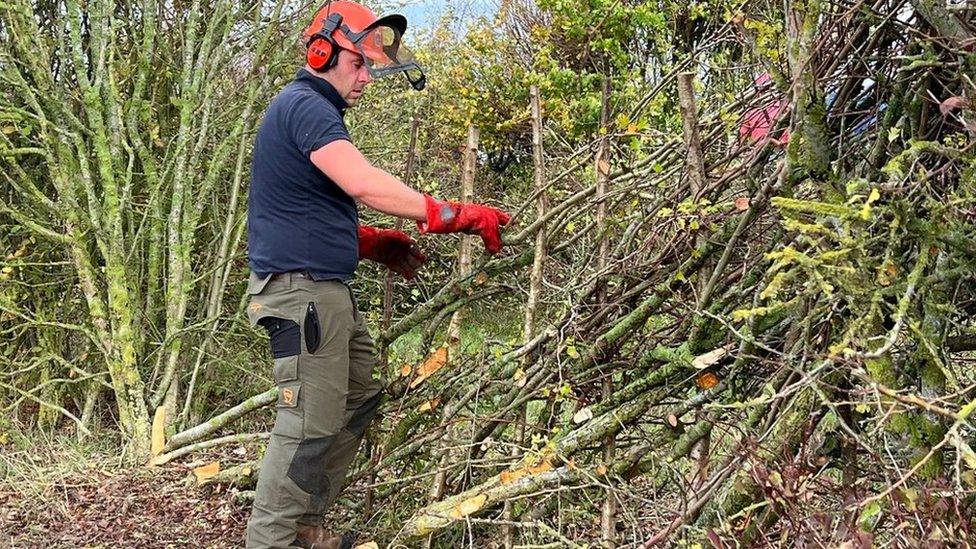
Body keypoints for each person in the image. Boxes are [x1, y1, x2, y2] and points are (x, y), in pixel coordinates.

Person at [243, 2, 511, 547]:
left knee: (359, 394)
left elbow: (295, 208)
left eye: (371, 67)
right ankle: (272, 541)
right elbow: (363, 182)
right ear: (323, 53)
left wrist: (366, 243)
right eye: (359, 64)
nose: (366, 77)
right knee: (303, 428)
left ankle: (305, 526)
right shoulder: (306, 105)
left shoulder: (310, 114)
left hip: (322, 290)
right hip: (302, 296)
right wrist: (451, 214)